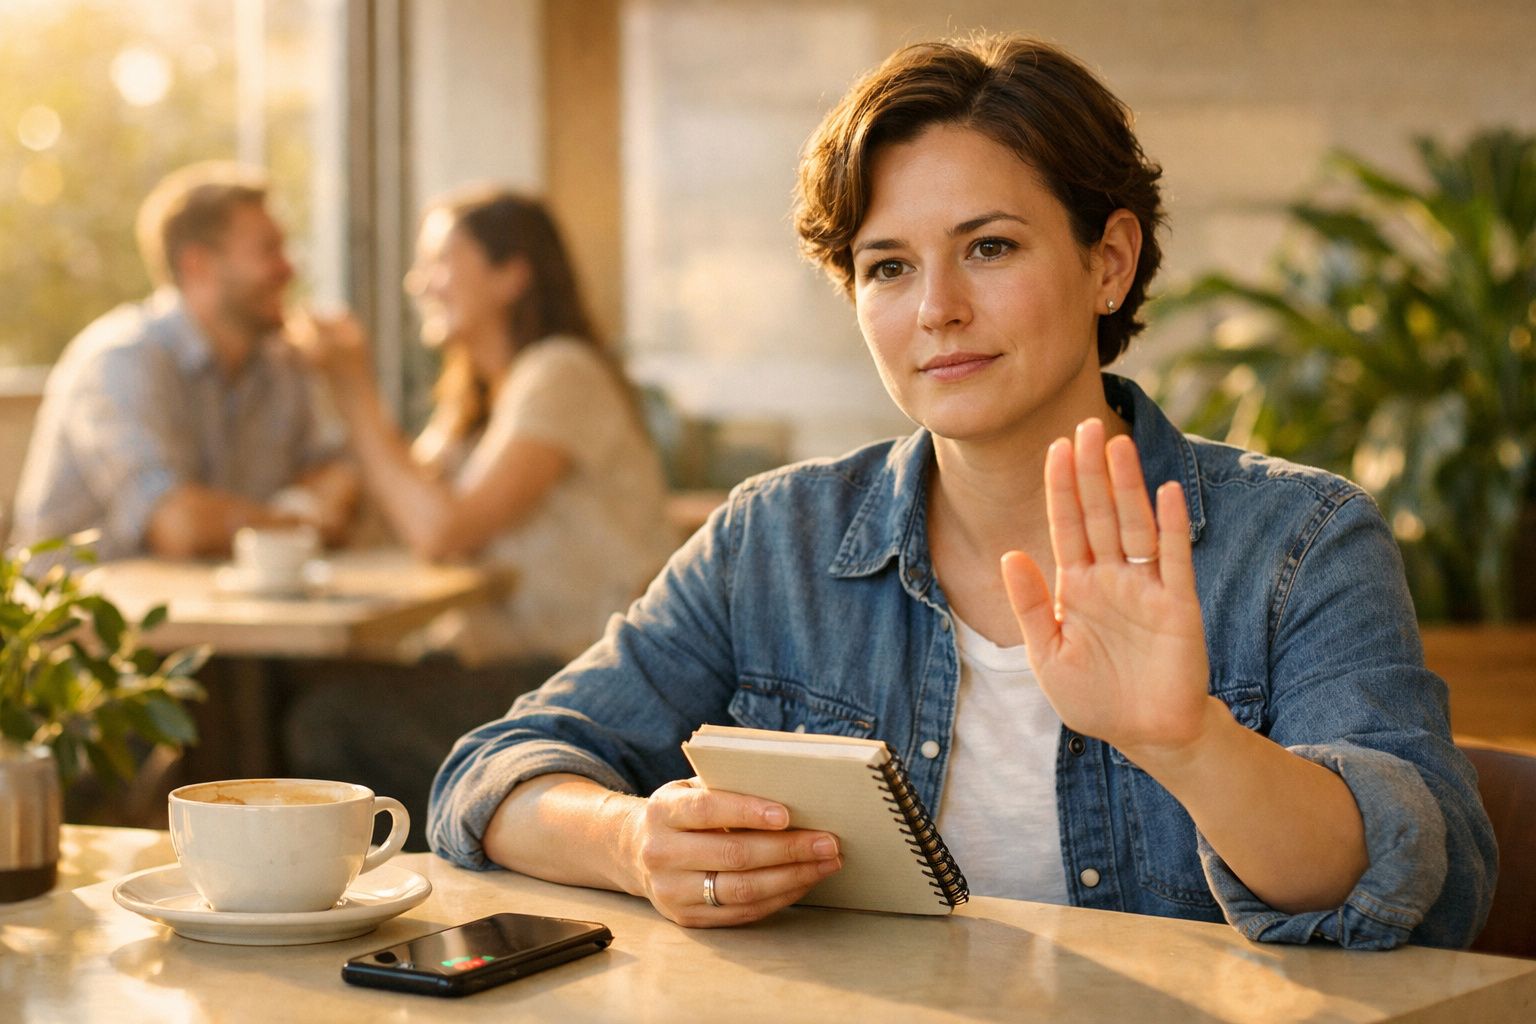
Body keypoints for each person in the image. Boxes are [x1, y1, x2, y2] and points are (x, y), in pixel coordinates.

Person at [427, 36, 1496, 948]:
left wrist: (1190, 744)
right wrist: (631, 841)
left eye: (989, 247)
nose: (936, 308)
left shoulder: (1301, 540)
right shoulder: (777, 539)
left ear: (1109, 262)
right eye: (888, 266)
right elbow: (491, 774)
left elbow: (1425, 885)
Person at [281, 187, 676, 846]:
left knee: (332, 718)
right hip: (514, 664)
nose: (418, 283)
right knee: (300, 689)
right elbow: (396, 514)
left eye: (439, 261)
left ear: (510, 274)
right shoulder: (481, 399)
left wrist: (354, 388)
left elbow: (442, 532)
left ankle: (437, 869)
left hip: (580, 681)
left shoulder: (561, 373)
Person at [11, 161, 358, 560]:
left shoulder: (281, 362)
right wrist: (303, 524)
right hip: (87, 599)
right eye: (268, 250)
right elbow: (180, 527)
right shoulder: (120, 361)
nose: (289, 268)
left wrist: (285, 518)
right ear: (198, 265)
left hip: (212, 598)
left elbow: (337, 473)